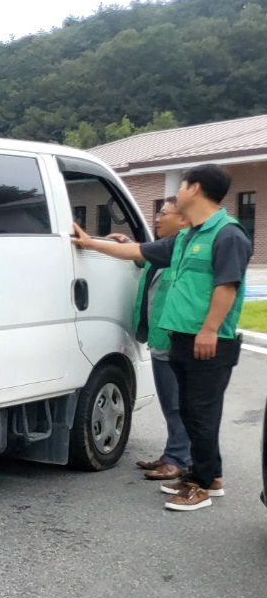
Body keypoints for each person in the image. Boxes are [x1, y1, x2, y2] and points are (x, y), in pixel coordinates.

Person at [71, 164, 252, 511]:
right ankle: (209, 476)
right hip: (182, 337)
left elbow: (227, 286)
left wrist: (210, 329)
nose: (177, 192)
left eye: (182, 186)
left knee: (201, 413)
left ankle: (201, 485)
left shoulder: (228, 235)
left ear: (195, 189)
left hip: (209, 341)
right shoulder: (186, 238)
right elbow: (138, 252)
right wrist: (90, 242)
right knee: (190, 410)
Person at [110, 198, 190, 481]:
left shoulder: (184, 254)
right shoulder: (166, 251)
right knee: (170, 404)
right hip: (159, 337)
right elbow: (144, 256)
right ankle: (173, 454)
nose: (157, 218)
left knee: (178, 404)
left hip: (172, 339)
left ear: (183, 220)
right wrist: (126, 243)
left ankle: (179, 459)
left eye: (165, 214)